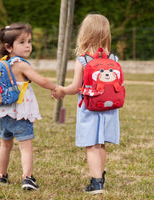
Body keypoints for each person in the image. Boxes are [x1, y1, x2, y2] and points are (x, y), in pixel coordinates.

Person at [53, 14, 120, 194]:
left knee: (92, 145)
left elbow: (76, 87)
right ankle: (101, 176)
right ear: (106, 34)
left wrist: (61, 90)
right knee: (102, 144)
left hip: (89, 108)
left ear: (84, 34)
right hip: (109, 108)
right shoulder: (113, 58)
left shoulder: (82, 60)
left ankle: (96, 182)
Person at [0, 22, 56, 190]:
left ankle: (1, 175)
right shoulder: (20, 64)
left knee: (5, 144)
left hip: (2, 113)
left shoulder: (2, 63)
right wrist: (54, 88)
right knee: (25, 147)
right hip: (20, 114)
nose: (28, 46)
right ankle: (27, 178)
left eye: (29, 41)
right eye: (22, 42)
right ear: (9, 46)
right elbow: (40, 80)